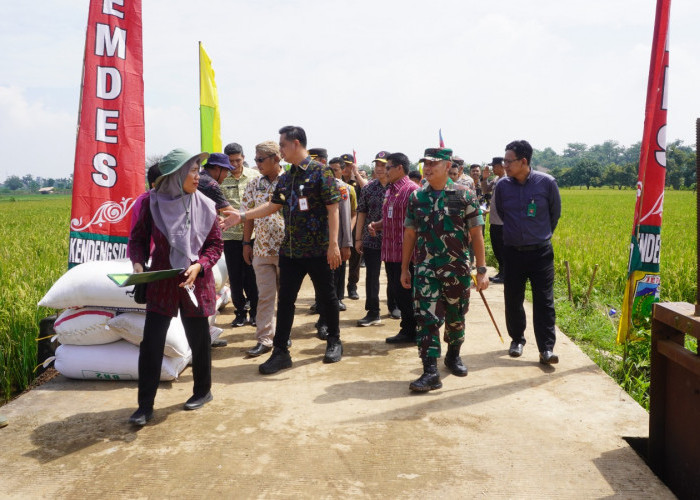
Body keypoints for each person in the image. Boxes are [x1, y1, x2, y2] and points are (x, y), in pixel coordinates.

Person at [221, 125, 343, 373]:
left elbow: (333, 209)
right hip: (290, 251)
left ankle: (334, 340)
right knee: (286, 300)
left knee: (327, 297)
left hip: (318, 250)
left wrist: (333, 245)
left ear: (296, 143)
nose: (281, 151)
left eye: (283, 146)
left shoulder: (322, 173)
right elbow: (272, 206)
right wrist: (242, 216)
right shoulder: (287, 178)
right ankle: (281, 352)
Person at [127, 149, 224, 425]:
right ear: (176, 175)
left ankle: (203, 391)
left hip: (196, 282)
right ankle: (144, 406)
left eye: (198, 170)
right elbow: (138, 240)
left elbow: (215, 246)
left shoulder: (205, 205)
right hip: (162, 282)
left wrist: (200, 265)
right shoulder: (151, 204)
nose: (198, 175)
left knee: (199, 340)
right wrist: (137, 264)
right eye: (193, 170)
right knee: (152, 343)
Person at [402, 147, 488, 392]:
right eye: (425, 164)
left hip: (456, 269)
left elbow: (476, 233)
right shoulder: (417, 197)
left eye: (433, 164)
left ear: (448, 165)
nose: (427, 168)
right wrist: (405, 268)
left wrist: (481, 269)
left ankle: (453, 355)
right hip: (426, 269)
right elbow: (409, 233)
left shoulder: (464, 195)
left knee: (456, 316)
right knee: (425, 318)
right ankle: (430, 371)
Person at [494, 140, 561, 364]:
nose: (505, 165)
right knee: (513, 298)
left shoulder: (547, 183)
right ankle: (517, 340)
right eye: (504, 161)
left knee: (544, 300)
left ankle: (546, 349)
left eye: (508, 161)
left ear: (524, 161)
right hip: (513, 252)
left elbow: (554, 216)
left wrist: (538, 234)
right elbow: (503, 213)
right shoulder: (502, 186)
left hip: (541, 253)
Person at [240, 141, 286, 357]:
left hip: (287, 250)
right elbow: (248, 215)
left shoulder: (290, 181)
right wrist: (246, 243)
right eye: (256, 159)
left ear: (276, 159)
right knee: (265, 296)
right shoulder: (253, 184)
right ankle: (265, 339)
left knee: (286, 297)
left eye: (260, 159)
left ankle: (283, 337)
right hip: (261, 249)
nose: (257, 163)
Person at [368, 152, 418, 344]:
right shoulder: (390, 190)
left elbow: (415, 226)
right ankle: (407, 328)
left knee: (406, 294)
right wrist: (378, 225)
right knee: (398, 292)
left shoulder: (411, 190)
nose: (384, 171)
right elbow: (391, 218)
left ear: (399, 168)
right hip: (389, 251)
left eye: (388, 167)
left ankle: (411, 330)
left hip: (405, 254)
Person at [355, 151, 397, 327]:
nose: (379, 169)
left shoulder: (397, 188)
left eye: (383, 165)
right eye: (377, 165)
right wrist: (358, 238)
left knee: (393, 275)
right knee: (372, 276)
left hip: (393, 239)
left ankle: (394, 305)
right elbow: (361, 213)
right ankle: (373, 312)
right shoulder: (368, 188)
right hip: (372, 238)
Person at [314, 157, 354, 338]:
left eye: (336, 169)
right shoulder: (316, 183)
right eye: (329, 169)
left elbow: (345, 217)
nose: (331, 172)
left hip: (334, 244)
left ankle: (326, 323)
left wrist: (346, 244)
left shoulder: (341, 187)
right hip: (315, 245)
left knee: (330, 286)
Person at [222, 143, 260, 327]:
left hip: (252, 235)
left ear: (244, 158)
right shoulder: (221, 178)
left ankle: (255, 312)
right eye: (231, 161)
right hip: (229, 237)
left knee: (252, 276)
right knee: (235, 277)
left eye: (238, 160)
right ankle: (239, 313)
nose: (235, 164)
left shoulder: (255, 176)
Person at [340, 153, 366, 300]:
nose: (345, 168)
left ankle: (352, 286)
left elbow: (367, 188)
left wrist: (356, 174)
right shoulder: (336, 181)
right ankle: (339, 288)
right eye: (344, 165)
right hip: (340, 223)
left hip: (355, 223)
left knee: (355, 258)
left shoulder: (357, 183)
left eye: (348, 165)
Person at [483, 157, 506, 283]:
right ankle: (502, 272)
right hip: (494, 221)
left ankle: (505, 274)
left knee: (502, 249)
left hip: (503, 222)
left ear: (501, 166)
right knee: (497, 248)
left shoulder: (507, 179)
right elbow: (485, 190)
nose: (492, 169)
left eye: (494, 166)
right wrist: (485, 178)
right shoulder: (496, 179)